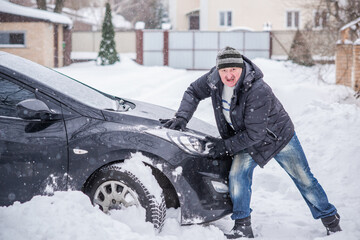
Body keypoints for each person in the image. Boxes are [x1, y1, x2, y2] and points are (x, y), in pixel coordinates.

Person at [162, 47, 341, 238]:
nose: (229, 75)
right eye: (224, 70)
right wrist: (182, 117)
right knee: (238, 176)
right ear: (217, 70)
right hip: (245, 137)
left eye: (233, 70)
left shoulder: (257, 89)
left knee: (303, 178)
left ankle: (330, 219)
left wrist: (226, 146)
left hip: (278, 137)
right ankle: (242, 227)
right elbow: (193, 91)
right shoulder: (213, 80)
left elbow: (256, 133)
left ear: (241, 68)